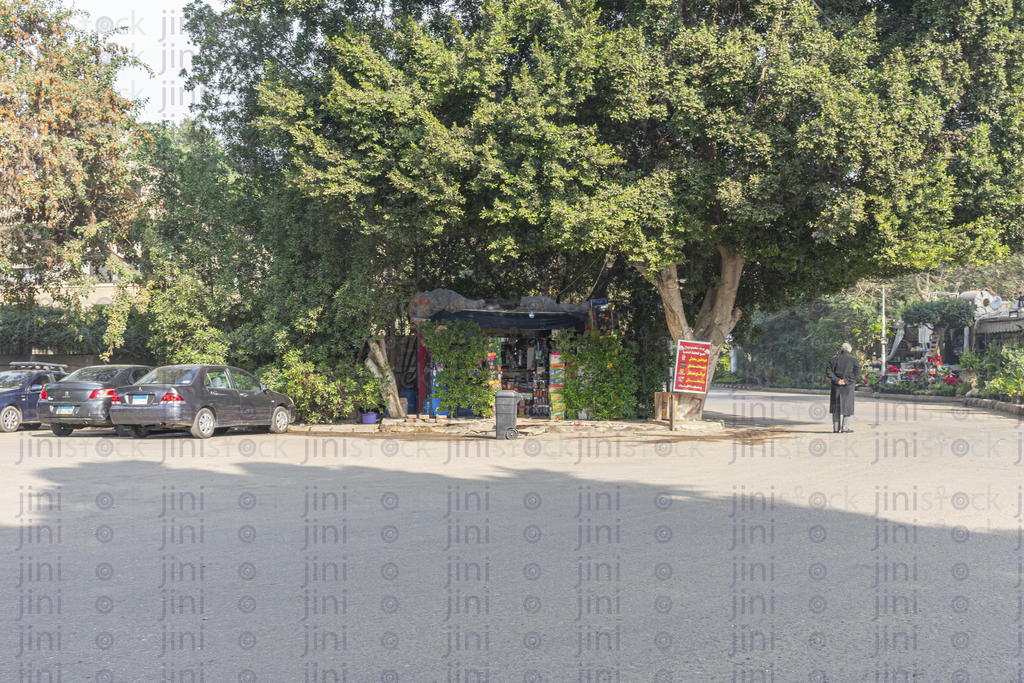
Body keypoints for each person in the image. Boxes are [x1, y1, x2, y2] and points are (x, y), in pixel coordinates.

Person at [826, 343, 860, 433]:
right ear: (850, 350)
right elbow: (857, 373)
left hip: (836, 386)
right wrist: (846, 381)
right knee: (847, 406)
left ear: (841, 349)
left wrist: (837, 380)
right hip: (848, 387)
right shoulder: (854, 360)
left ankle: (836, 428)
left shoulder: (833, 360)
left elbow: (828, 371)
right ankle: (845, 428)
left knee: (836, 406)